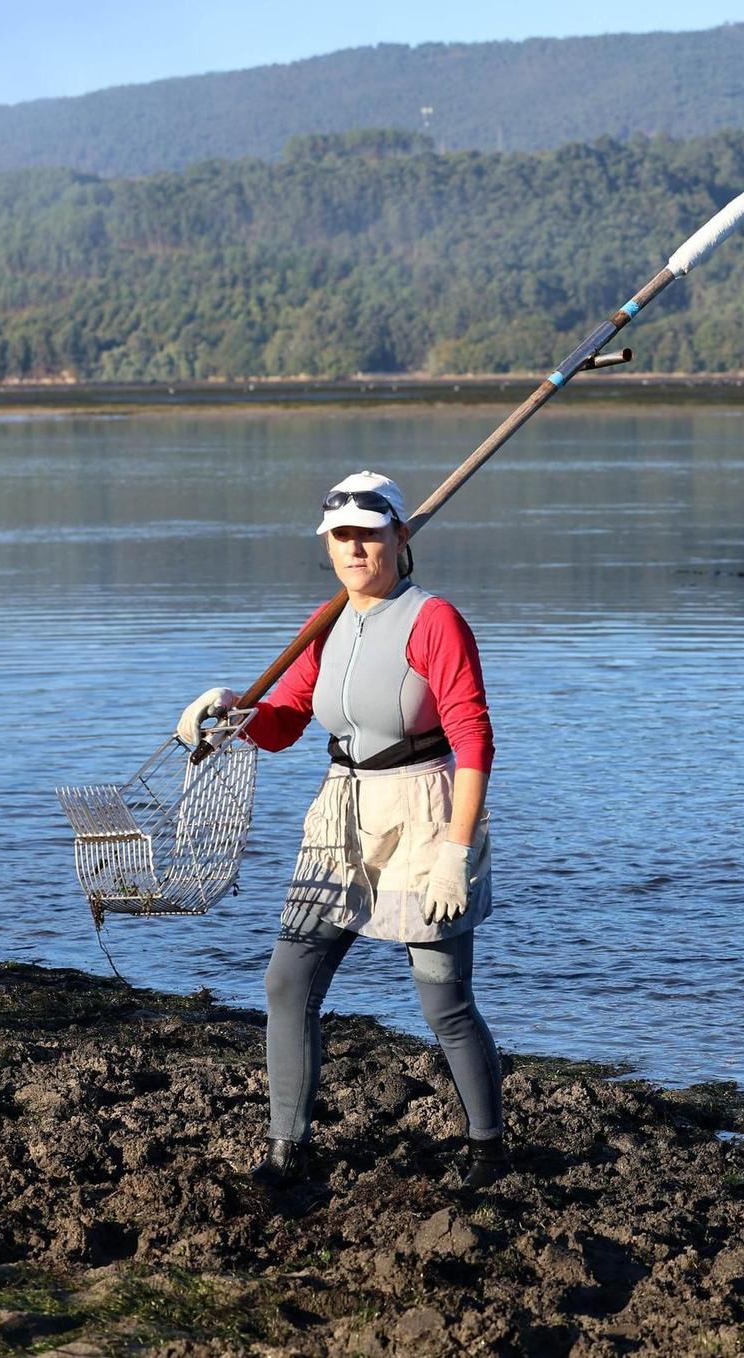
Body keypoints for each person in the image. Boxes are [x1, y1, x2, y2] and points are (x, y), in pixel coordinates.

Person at [178, 471, 505, 1188]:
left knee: (442, 1001)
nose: (355, 548)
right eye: (341, 536)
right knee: (286, 984)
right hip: (340, 814)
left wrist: (457, 849)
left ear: (399, 536)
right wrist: (231, 711)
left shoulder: (434, 620)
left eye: (369, 533)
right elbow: (285, 723)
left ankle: (487, 1147)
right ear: (328, 544)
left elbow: (475, 740)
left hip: (424, 812)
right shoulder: (323, 625)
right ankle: (286, 1151)